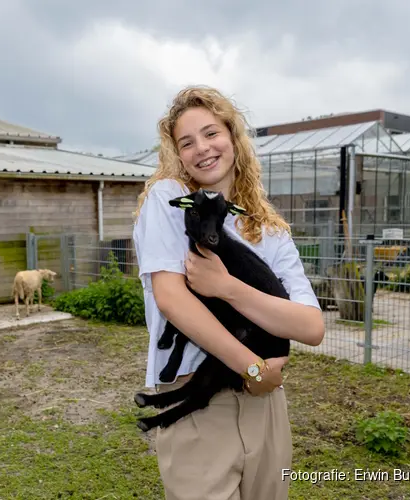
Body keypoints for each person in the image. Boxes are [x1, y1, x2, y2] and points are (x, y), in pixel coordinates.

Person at [132, 85, 325, 500]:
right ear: (176, 154)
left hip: (266, 406)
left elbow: (310, 326)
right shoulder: (171, 200)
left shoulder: (269, 230)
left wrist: (227, 288)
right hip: (198, 398)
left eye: (211, 133)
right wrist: (254, 368)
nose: (202, 148)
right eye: (187, 142)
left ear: (233, 137)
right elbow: (172, 298)